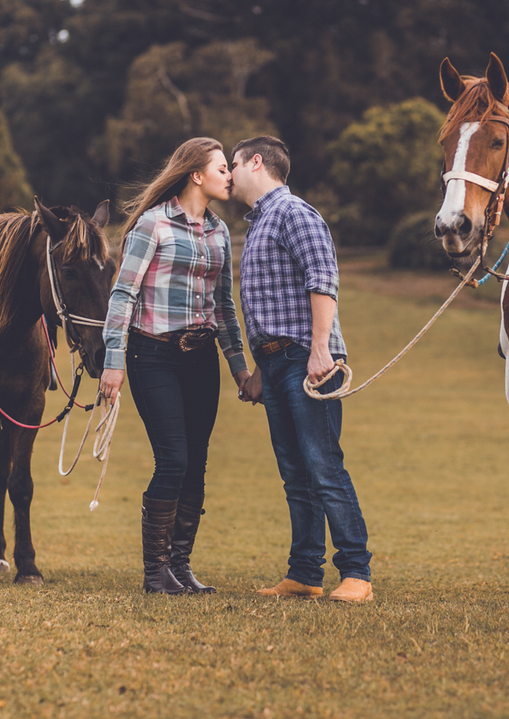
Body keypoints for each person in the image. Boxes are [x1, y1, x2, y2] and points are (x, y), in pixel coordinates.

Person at [100, 137, 250, 595]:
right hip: (153, 356)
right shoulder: (153, 225)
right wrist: (113, 360)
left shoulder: (219, 232)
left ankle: (180, 567)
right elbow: (122, 294)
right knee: (174, 459)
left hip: (201, 358)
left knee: (197, 464)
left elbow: (224, 306)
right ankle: (155, 573)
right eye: (223, 168)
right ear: (196, 175)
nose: (231, 175)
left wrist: (240, 367)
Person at [230, 136, 373, 603]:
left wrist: (318, 350)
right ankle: (305, 574)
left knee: (324, 467)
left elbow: (322, 281)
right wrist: (256, 370)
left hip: (305, 361)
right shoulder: (259, 224)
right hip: (275, 363)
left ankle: (356, 573)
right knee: (295, 473)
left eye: (233, 163)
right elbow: (267, 306)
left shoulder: (294, 213)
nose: (229, 174)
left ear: (256, 161)